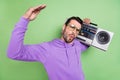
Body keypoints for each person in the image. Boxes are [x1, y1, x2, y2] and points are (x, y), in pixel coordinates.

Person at [7, 4, 91, 80]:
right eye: (72, 27)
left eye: (77, 30)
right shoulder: (47, 49)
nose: (74, 32)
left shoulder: (77, 45)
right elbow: (14, 53)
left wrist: (88, 28)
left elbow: (87, 44)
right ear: (64, 27)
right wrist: (25, 20)